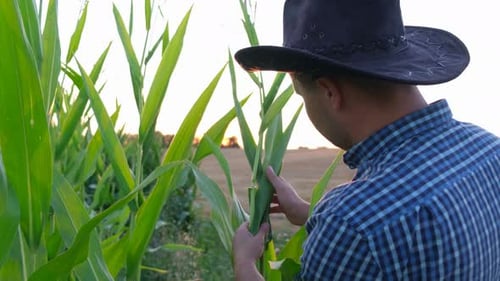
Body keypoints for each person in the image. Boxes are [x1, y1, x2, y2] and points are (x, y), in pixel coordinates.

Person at [232, 0, 500, 280]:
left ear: (329, 92)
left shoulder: (351, 223)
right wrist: (308, 213)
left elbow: (369, 225)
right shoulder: (490, 150)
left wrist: (244, 266)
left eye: (303, 97)